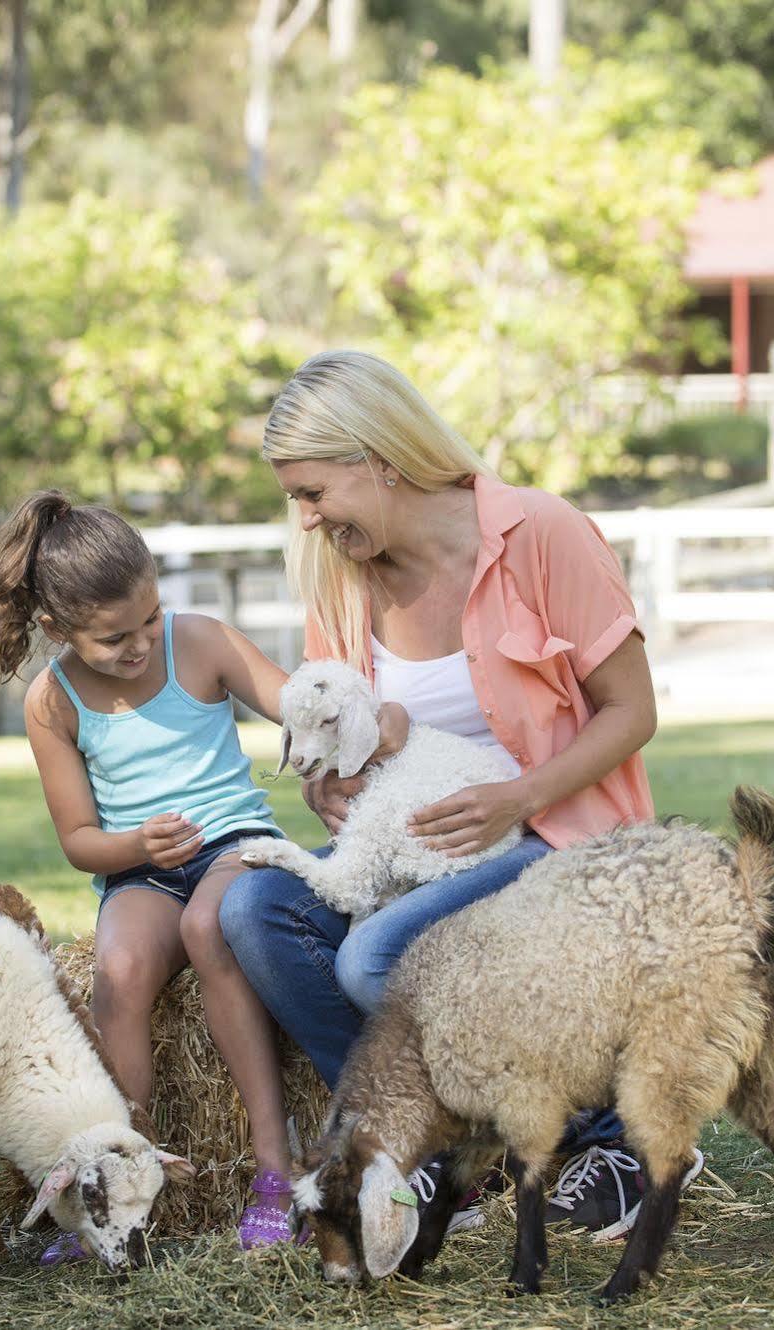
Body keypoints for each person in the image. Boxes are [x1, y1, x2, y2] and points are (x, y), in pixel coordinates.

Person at [218, 349, 663, 1235]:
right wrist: (327, 796)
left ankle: (606, 1143)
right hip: (418, 849)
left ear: (377, 458)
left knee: (373, 958)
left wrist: (518, 797)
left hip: (551, 838)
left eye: (312, 492)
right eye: (293, 500)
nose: (304, 520)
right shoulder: (339, 577)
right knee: (251, 912)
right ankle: (427, 1152)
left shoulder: (539, 533)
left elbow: (632, 711)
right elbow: (336, 731)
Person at [0, 491, 310, 1256]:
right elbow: (80, 841)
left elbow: (295, 706)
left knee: (212, 926)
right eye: (112, 638)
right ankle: (123, 1177)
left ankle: (273, 1169)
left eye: (148, 619)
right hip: (143, 866)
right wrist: (137, 845)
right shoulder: (51, 701)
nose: (138, 644)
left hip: (234, 844)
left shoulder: (199, 642)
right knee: (119, 970)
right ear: (55, 629)